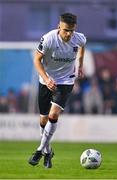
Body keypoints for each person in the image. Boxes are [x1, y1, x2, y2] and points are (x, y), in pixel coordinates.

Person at [28, 13, 86, 168]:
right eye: (66, 30)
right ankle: (48, 152)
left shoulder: (78, 38)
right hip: (46, 81)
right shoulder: (48, 39)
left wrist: (80, 65)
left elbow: (82, 46)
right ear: (59, 26)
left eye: (72, 31)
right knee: (43, 120)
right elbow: (36, 60)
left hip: (66, 81)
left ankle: (40, 150)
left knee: (53, 115)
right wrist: (47, 79)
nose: (69, 34)